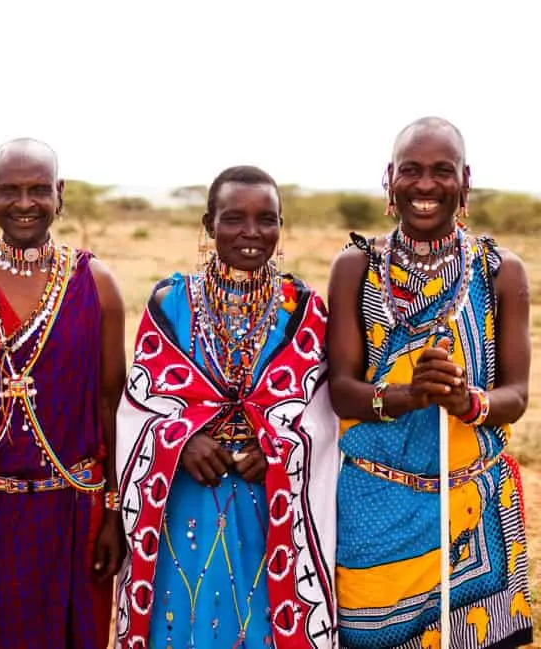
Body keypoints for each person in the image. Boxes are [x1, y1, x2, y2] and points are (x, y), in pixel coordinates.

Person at [328, 118, 534, 648]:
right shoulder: (356, 268)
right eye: (411, 171)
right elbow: (342, 389)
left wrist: (468, 401)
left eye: (442, 172)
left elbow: (516, 397)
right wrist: (407, 397)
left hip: (473, 507)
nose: (425, 185)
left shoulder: (498, 271)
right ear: (388, 180)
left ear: (465, 183)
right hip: (374, 502)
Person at [115, 165, 339, 648]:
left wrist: (280, 450)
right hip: (185, 500)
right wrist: (182, 442)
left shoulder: (305, 312)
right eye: (235, 218)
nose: (252, 233)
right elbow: (138, 405)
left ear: (282, 226)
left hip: (271, 506)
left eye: (267, 219)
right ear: (208, 224)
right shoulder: (170, 304)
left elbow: (323, 412)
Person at [0, 137, 126, 648]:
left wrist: (113, 512)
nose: (24, 203)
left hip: (70, 513)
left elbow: (112, 404)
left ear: (59, 195)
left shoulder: (95, 283)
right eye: (11, 190)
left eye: (39, 189)